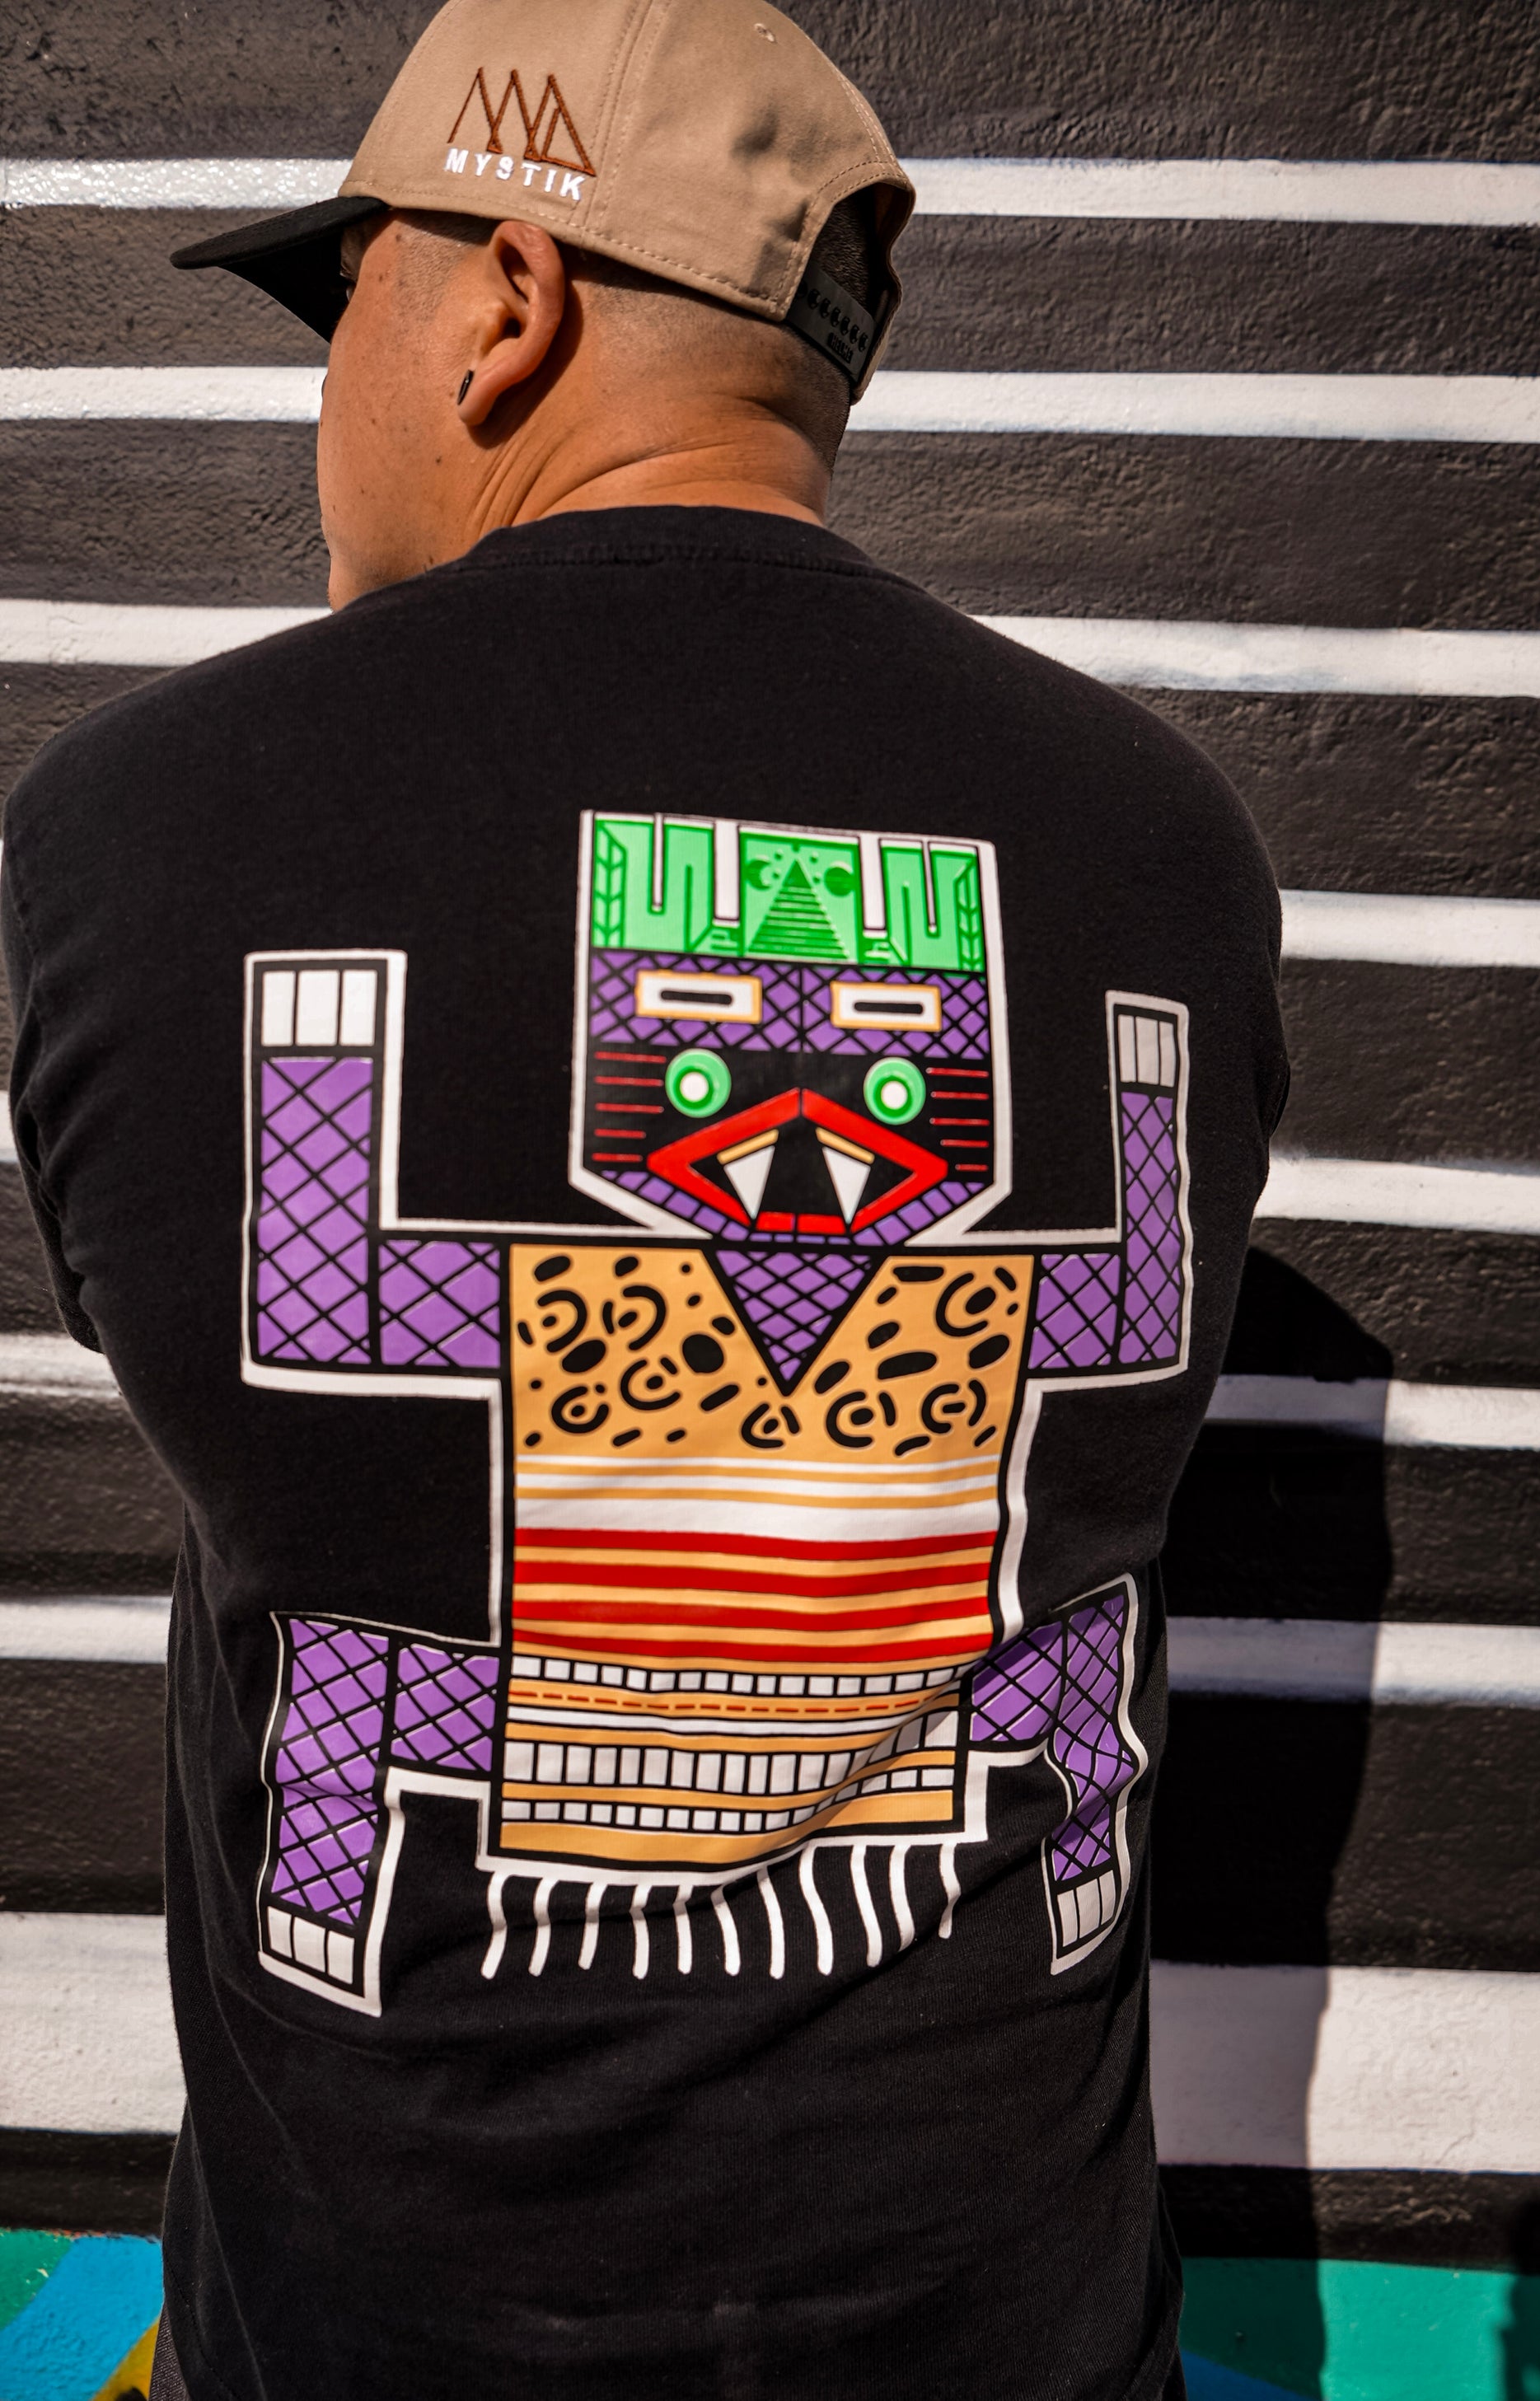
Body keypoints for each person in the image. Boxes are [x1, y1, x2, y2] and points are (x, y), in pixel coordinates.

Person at [2, 1, 1286, 2394]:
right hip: (1016, 2327)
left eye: (343, 300)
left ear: (505, 302)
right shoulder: (1168, 847)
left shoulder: (144, 827)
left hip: (380, 2329)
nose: (327, 394)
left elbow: (273, 1391)